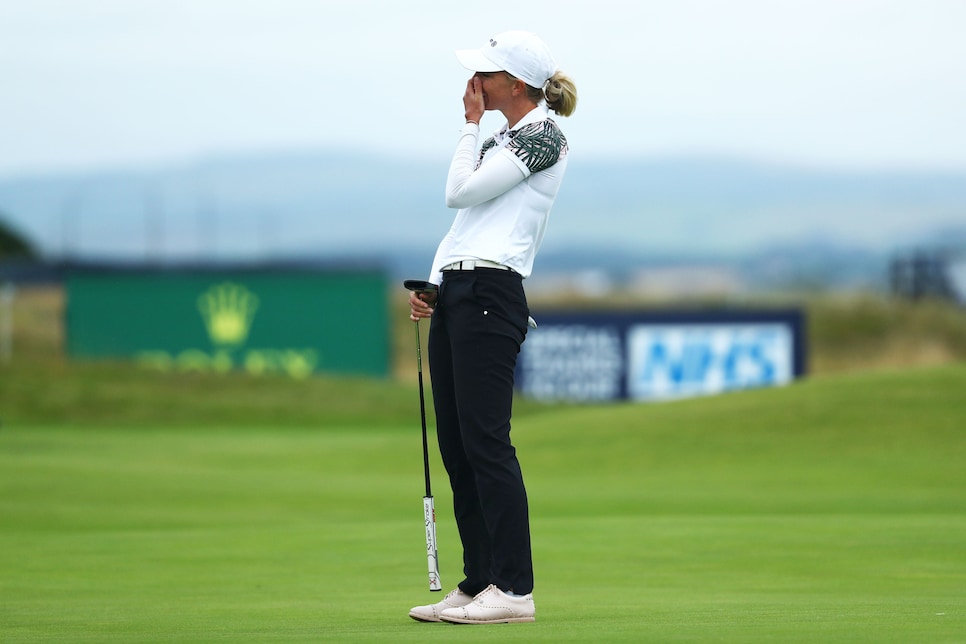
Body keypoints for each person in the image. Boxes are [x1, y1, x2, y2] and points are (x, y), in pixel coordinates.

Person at [407, 30, 577, 625]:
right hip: (461, 290)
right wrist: (434, 283)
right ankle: (480, 580)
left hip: (491, 295)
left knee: (486, 441)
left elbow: (459, 194)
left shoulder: (542, 137)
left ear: (513, 84)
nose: (475, 82)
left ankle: (514, 589)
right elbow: (464, 230)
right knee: (457, 446)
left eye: (486, 73)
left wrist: (467, 125)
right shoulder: (508, 137)